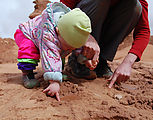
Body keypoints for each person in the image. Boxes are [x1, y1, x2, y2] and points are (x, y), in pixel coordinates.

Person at [14, 2, 100, 101]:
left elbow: (76, 47)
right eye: (68, 45)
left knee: (61, 50)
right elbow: (51, 55)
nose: (69, 49)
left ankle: (58, 71)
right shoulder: (48, 34)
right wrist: (54, 82)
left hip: (49, 39)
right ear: (58, 31)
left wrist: (84, 59)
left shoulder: (68, 34)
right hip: (27, 34)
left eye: (72, 47)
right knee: (29, 50)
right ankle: (27, 74)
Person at [60, 0, 150, 88]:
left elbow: (143, 30)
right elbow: (60, 11)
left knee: (136, 6)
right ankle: (78, 59)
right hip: (80, 29)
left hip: (103, 32)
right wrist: (84, 36)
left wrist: (128, 63)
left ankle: (100, 62)